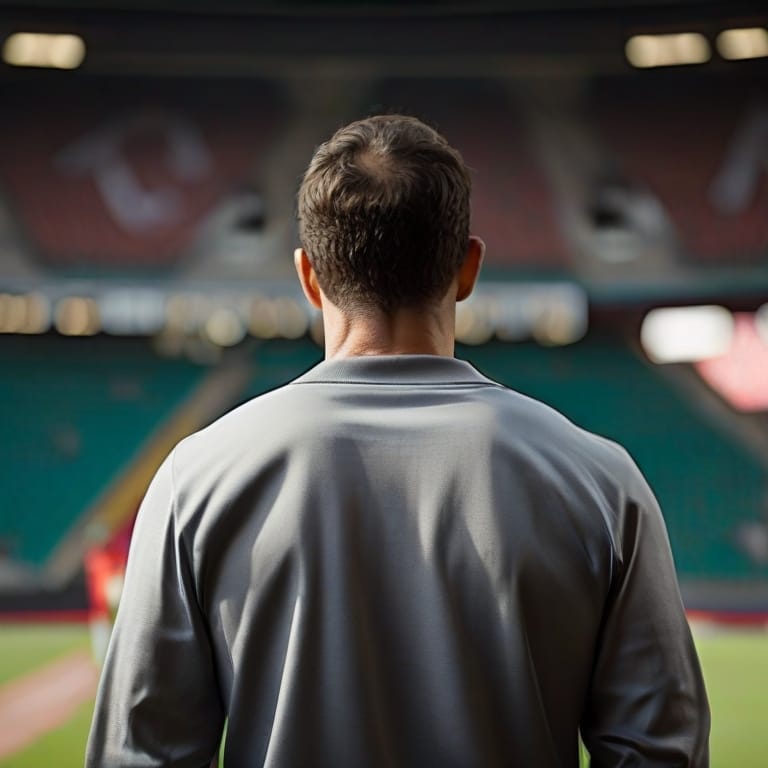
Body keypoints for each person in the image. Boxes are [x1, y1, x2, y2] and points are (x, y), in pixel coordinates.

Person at [86, 114, 709, 767]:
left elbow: (142, 755)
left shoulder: (198, 478)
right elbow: (658, 754)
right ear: (468, 268)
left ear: (308, 276)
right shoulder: (602, 483)